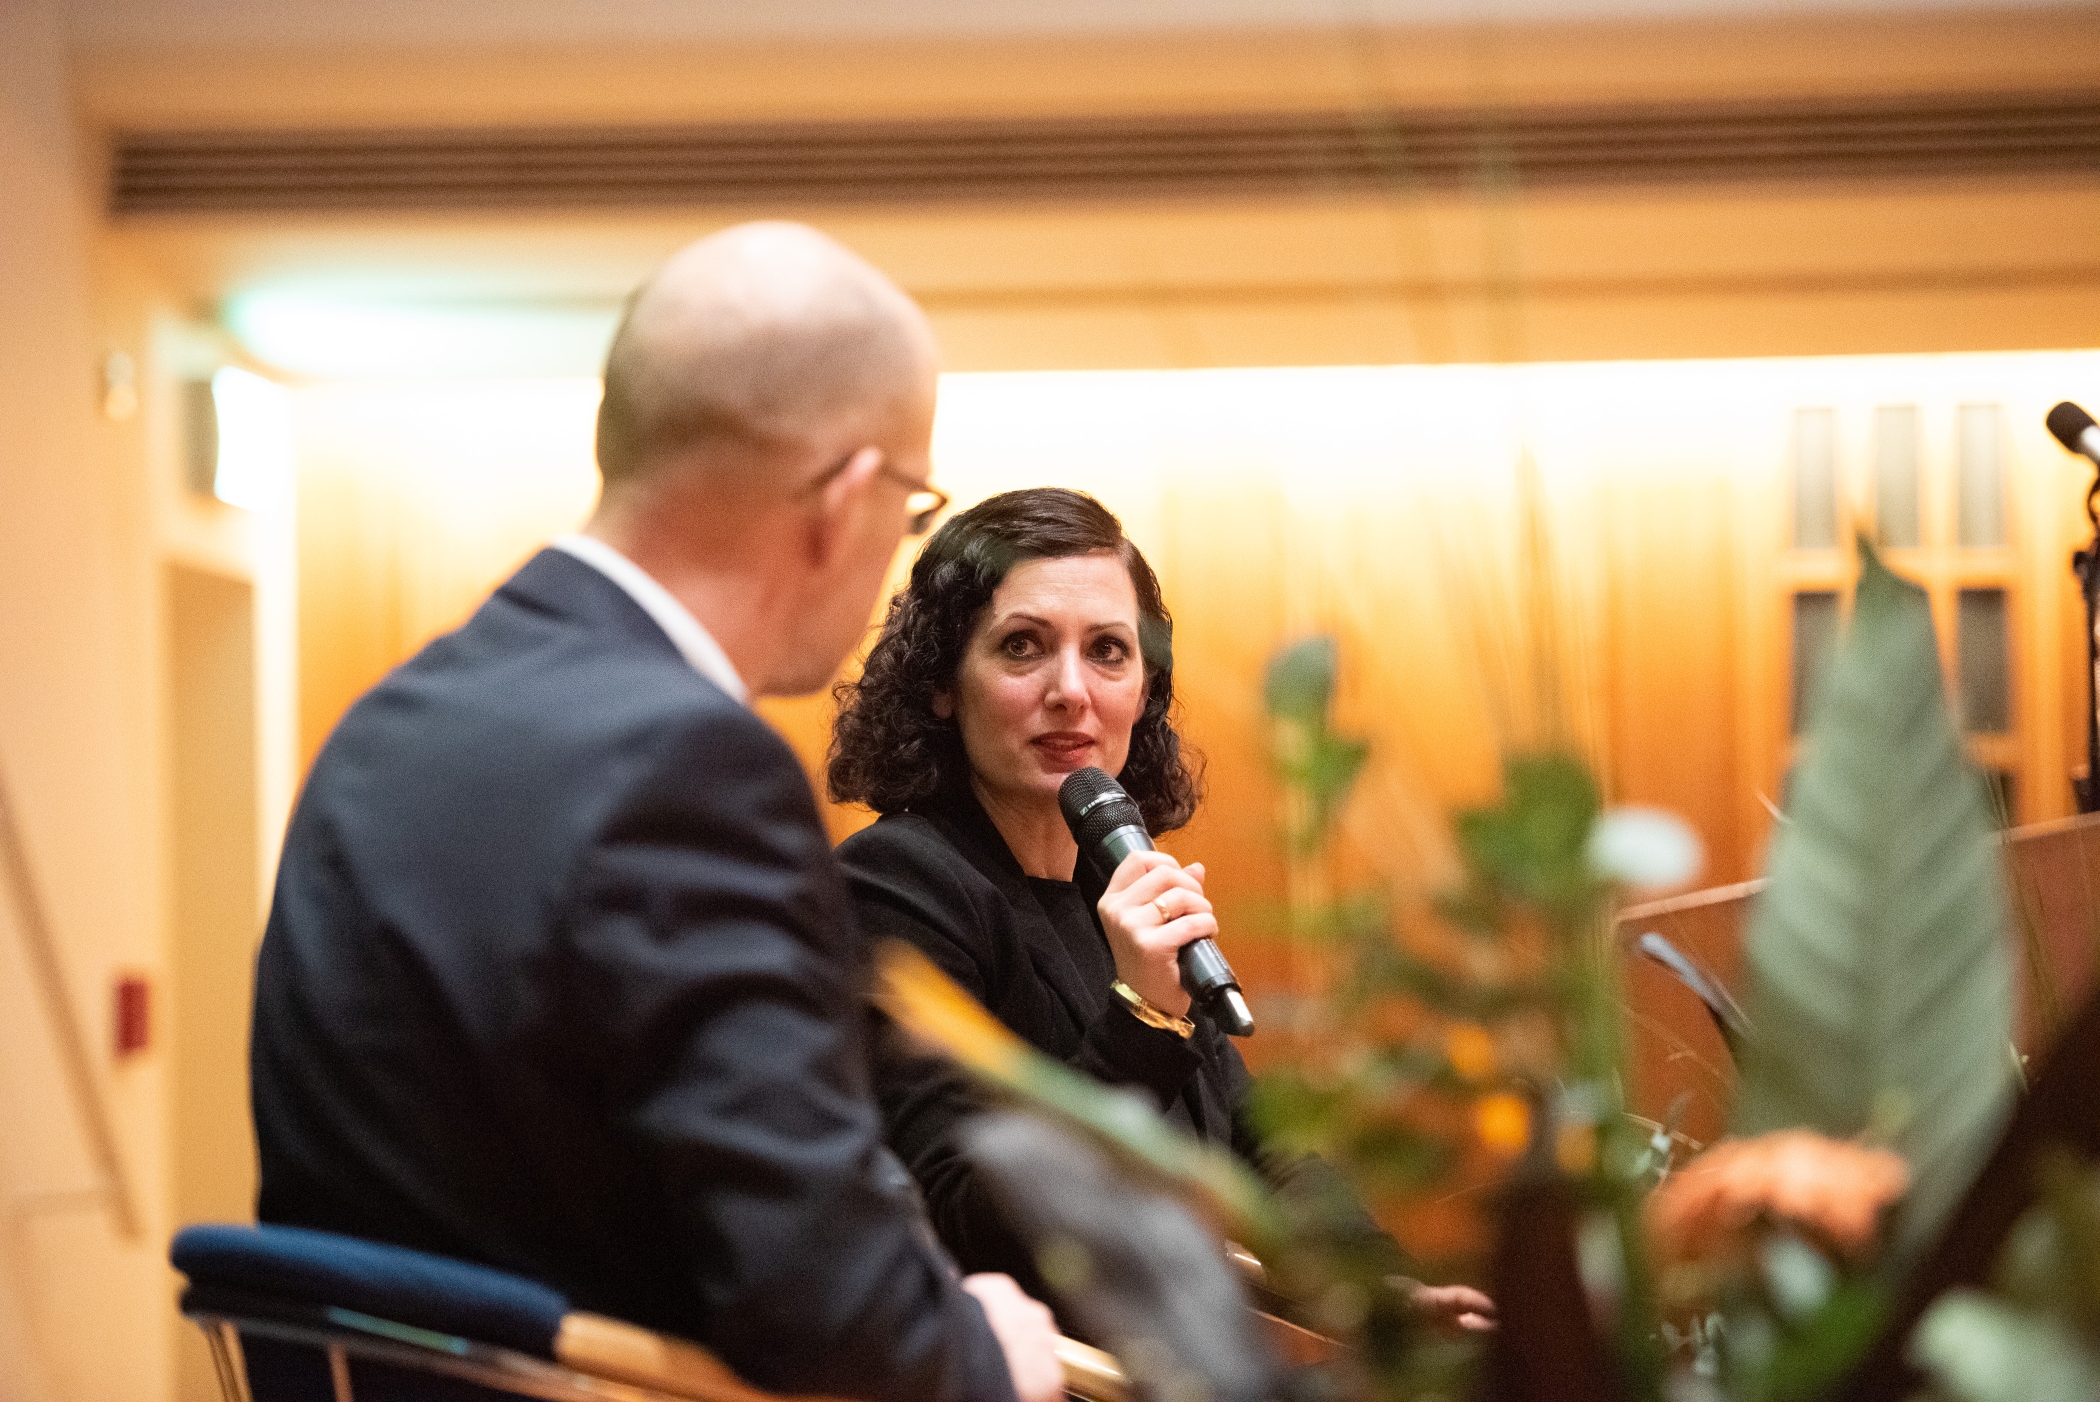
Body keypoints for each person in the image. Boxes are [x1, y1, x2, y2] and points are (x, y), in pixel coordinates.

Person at [249, 223, 1063, 1402]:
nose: (898, 551)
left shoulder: (398, 715)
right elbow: (829, 1310)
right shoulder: (690, 767)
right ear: (844, 502)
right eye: (915, 506)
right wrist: (987, 1352)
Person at [828, 487, 1495, 1333]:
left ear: (1144, 691)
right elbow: (970, 1225)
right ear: (942, 687)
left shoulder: (1120, 888)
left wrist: (1382, 1287)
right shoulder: (896, 884)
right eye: (1023, 647)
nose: (1071, 690)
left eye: (1108, 651)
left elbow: (1264, 1153)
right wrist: (1142, 1016)